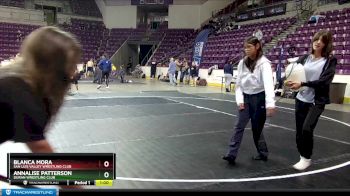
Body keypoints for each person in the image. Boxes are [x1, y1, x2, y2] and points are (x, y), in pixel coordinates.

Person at [0, 26, 81, 153]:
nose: (73, 72)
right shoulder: (23, 97)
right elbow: (44, 154)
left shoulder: (15, 80)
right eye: (71, 66)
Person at [286, 30, 337, 171]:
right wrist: (288, 81)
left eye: (322, 40)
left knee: (307, 129)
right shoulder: (304, 58)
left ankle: (306, 158)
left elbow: (324, 81)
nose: (318, 41)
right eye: (316, 39)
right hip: (301, 99)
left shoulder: (330, 60)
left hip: (316, 101)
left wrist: (303, 84)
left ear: (326, 43)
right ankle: (302, 156)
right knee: (299, 132)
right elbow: (292, 72)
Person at [223, 36, 276, 164]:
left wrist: (270, 104)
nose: (246, 49)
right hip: (246, 98)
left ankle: (263, 153)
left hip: (260, 99)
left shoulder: (264, 64)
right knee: (238, 126)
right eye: (245, 47)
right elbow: (239, 84)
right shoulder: (242, 63)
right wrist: (239, 100)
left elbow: (269, 84)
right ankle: (231, 154)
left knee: (256, 129)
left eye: (249, 47)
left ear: (257, 47)